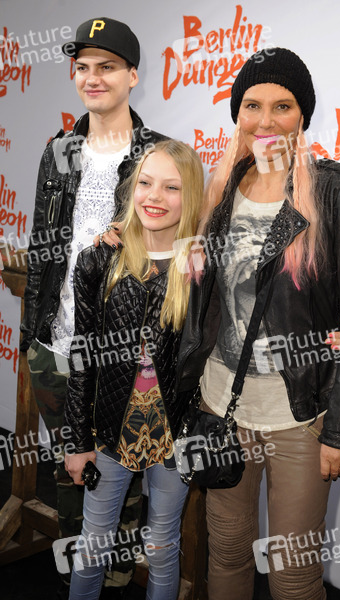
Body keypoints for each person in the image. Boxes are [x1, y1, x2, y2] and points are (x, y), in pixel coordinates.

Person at [175, 48, 340, 600]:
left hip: (299, 417)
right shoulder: (220, 189)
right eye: (252, 105)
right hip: (221, 407)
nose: (265, 120)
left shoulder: (336, 190)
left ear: (302, 115)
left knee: (293, 576)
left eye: (282, 106)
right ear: (237, 113)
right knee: (226, 553)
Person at [20, 17, 165, 598]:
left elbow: (173, 257)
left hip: (122, 353)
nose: (92, 77)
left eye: (107, 66)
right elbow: (42, 244)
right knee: (70, 472)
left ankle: (118, 578)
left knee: (120, 481)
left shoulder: (158, 155)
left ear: (132, 75)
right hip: (55, 347)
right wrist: (32, 335)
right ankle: (75, 574)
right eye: (82, 67)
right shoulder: (57, 151)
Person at [63, 139, 205, 600]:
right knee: (93, 546)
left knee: (162, 546)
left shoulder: (201, 270)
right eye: (146, 183)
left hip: (174, 435)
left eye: (171, 187)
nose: (154, 197)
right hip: (109, 430)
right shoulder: (99, 259)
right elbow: (82, 356)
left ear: (191, 197)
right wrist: (77, 441)